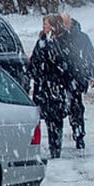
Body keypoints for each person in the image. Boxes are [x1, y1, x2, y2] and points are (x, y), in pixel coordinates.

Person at [28, 14, 69, 159]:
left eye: (46, 24)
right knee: (41, 118)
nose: (44, 27)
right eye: (43, 24)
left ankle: (55, 148)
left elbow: (63, 64)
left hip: (54, 87)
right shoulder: (41, 41)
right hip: (42, 86)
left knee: (55, 120)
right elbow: (34, 61)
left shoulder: (59, 41)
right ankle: (40, 147)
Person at [59, 13, 94, 149]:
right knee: (58, 111)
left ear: (70, 23)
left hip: (76, 79)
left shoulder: (81, 38)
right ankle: (56, 141)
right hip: (59, 80)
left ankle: (79, 136)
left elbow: (91, 56)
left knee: (76, 109)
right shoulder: (56, 37)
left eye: (64, 23)